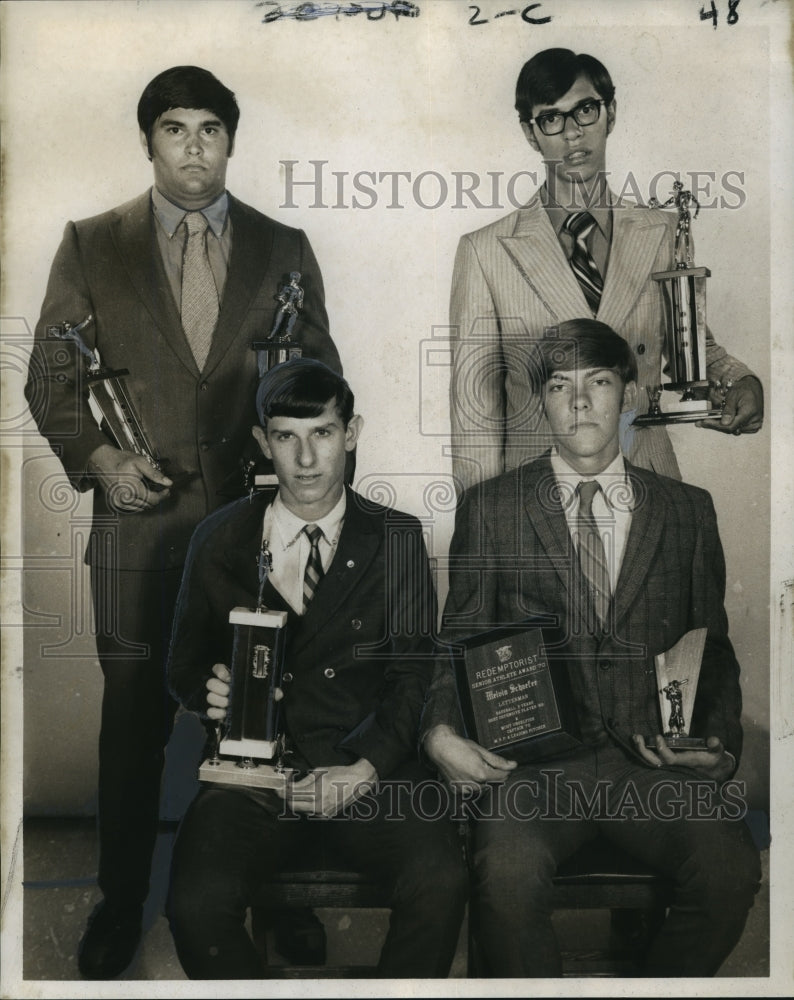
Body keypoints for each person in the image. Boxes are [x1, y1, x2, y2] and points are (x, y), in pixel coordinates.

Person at [24, 65, 341, 979]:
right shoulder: (91, 244)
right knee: (132, 722)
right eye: (175, 129)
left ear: (231, 141)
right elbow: (50, 376)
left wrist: (299, 480)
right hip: (138, 528)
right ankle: (121, 903)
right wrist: (101, 461)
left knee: (261, 709)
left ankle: (276, 900)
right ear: (149, 142)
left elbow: (319, 377)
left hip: (258, 527)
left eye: (211, 129)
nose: (194, 146)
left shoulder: (285, 245)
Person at [423, 319, 761, 977]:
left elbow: (710, 648)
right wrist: (440, 732)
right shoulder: (491, 509)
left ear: (629, 394)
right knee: (507, 880)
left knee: (729, 873)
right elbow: (458, 642)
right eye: (560, 385)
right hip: (538, 772)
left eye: (599, 382)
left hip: (650, 765)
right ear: (540, 401)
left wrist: (714, 743)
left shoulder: (687, 509)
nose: (580, 402)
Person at [165, 358, 467, 979]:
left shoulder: (397, 539)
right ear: (261, 441)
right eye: (285, 437)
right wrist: (210, 691)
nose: (305, 459)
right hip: (251, 780)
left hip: (369, 771)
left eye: (322, 434)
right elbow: (184, 663)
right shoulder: (219, 538)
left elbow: (414, 677)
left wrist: (363, 769)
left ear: (351, 434)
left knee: (440, 882)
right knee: (194, 905)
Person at [448, 47, 764, 490]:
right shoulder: (485, 252)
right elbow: (474, 413)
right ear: (530, 133)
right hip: (537, 497)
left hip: (648, 482)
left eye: (586, 110)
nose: (573, 133)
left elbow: (689, 344)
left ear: (610, 114)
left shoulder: (661, 231)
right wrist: (484, 528)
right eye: (552, 119)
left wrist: (740, 379)